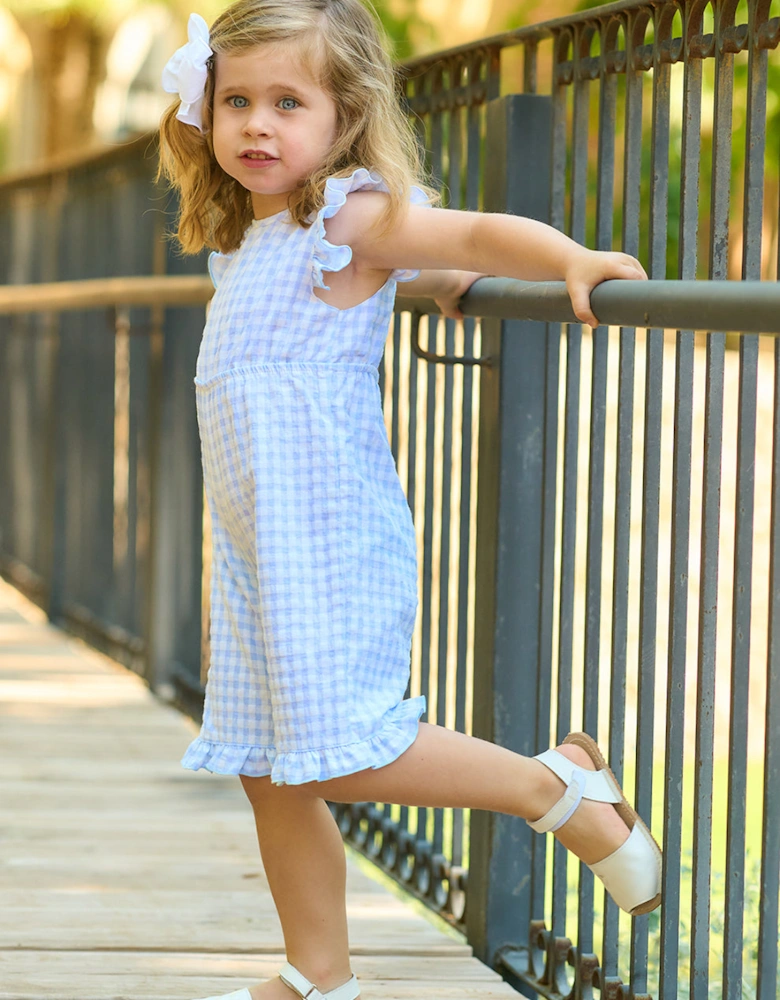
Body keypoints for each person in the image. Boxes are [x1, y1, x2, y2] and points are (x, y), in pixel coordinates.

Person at [156, 3, 660, 999]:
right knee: (272, 764)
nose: (258, 125)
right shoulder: (246, 238)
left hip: (328, 537)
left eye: (288, 103)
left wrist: (566, 261)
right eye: (238, 101)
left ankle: (553, 786)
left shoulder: (346, 215)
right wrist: (432, 281)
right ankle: (318, 973)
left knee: (343, 749)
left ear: (343, 121)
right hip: (259, 551)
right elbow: (425, 264)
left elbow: (463, 228)